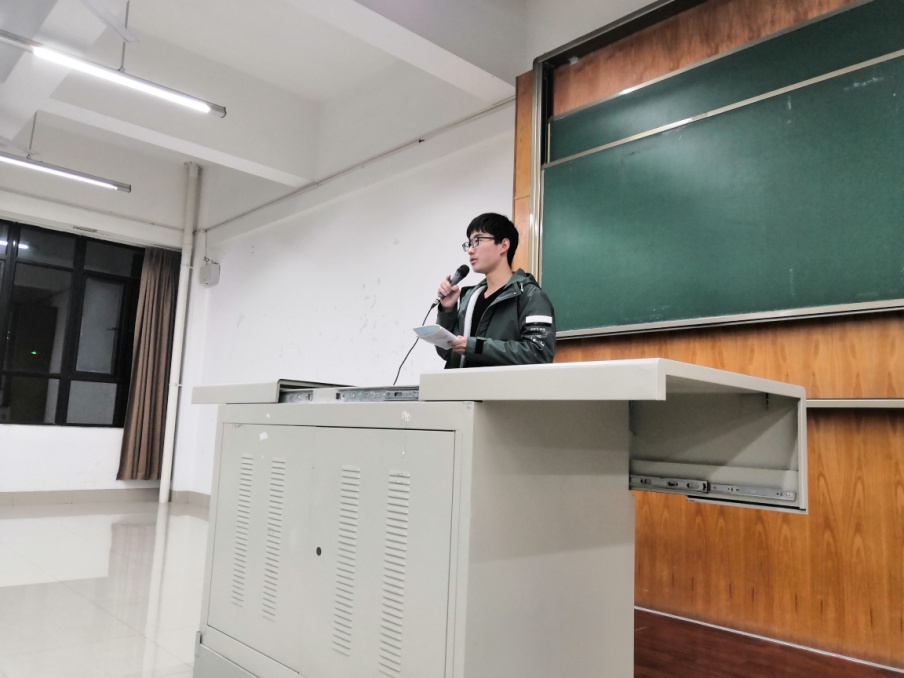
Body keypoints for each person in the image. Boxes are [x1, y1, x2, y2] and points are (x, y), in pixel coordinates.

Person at [435, 212, 556, 369]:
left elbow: (539, 353)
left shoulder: (530, 296)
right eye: (469, 243)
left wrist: (477, 346)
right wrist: (447, 310)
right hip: (463, 384)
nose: (470, 250)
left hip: (502, 385)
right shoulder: (471, 297)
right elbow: (447, 353)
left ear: (504, 245)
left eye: (477, 240)